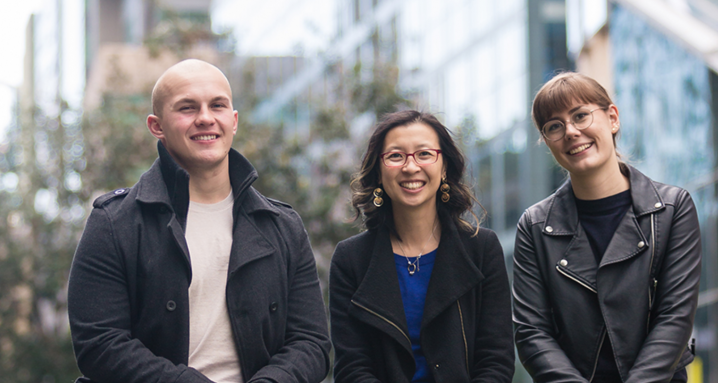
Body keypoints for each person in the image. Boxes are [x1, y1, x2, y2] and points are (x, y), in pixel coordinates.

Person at [67, 59, 330, 383]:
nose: (206, 118)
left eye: (217, 106)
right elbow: (99, 344)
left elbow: (312, 343)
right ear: (157, 125)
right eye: (187, 108)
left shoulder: (283, 226)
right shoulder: (114, 222)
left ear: (233, 121)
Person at [512, 72, 701, 383]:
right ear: (547, 142)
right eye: (554, 126)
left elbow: (675, 318)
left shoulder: (672, 209)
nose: (571, 132)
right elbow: (532, 332)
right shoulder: (533, 226)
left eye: (581, 116)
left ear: (612, 118)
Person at [329, 110, 514, 383]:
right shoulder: (350, 259)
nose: (411, 167)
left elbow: (495, 360)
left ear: (445, 167)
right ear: (379, 172)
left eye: (424, 154)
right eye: (395, 156)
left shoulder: (482, 249)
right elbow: (352, 368)